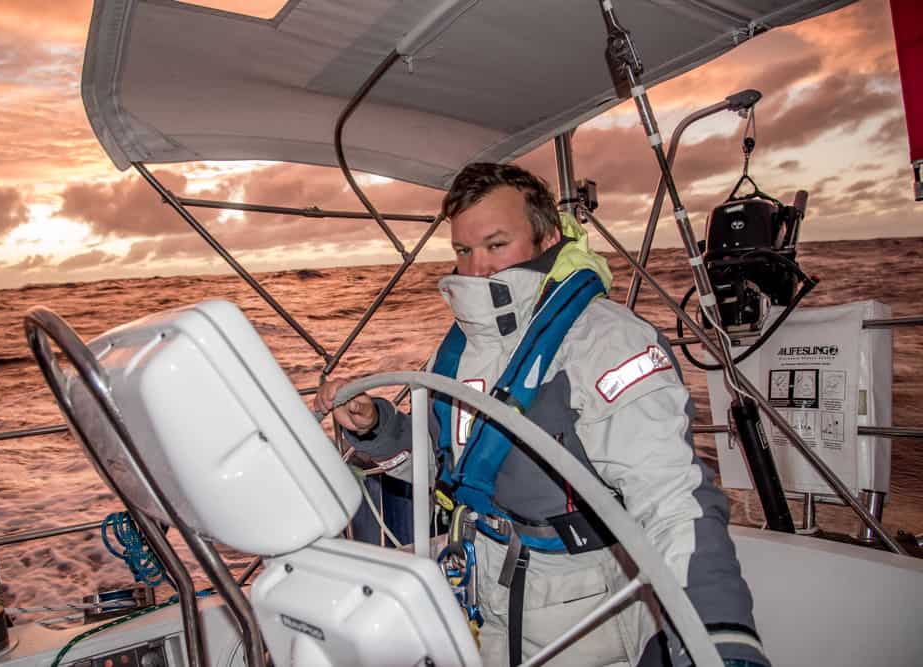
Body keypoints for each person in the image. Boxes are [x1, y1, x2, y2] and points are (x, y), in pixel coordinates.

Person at [314, 163, 767, 667]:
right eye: (464, 251)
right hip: (482, 590)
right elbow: (442, 468)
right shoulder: (463, 347)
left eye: (495, 244)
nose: (477, 269)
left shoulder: (607, 342)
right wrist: (376, 427)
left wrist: (720, 641)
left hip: (584, 612)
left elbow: (674, 503)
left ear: (547, 237)